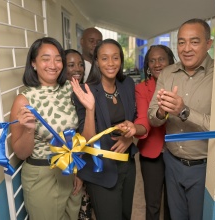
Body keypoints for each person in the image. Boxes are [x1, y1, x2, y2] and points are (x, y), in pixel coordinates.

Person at [10, 37, 83, 220]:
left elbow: (78, 135)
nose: (53, 64)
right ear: (33, 63)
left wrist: (76, 170)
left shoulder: (70, 89)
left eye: (58, 59)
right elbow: (21, 153)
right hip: (41, 175)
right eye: (45, 58)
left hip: (69, 169)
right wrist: (28, 130)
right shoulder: (24, 99)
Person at [148, 18, 214, 220]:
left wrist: (184, 111)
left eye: (194, 42)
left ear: (208, 43)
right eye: (181, 42)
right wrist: (162, 112)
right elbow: (153, 118)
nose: (186, 49)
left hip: (205, 167)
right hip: (173, 163)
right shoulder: (168, 73)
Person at [71, 38, 138, 220]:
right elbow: (87, 140)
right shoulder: (85, 92)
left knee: (125, 215)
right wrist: (90, 108)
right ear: (97, 62)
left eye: (115, 58)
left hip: (127, 164)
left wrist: (129, 137)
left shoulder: (127, 85)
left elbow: (135, 118)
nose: (111, 63)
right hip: (100, 169)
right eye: (104, 58)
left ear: (121, 60)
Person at [134, 45, 175, 220]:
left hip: (177, 152)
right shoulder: (142, 88)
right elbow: (144, 118)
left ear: (170, 61)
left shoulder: (179, 85)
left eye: (161, 59)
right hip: (152, 152)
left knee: (172, 203)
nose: (157, 64)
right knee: (153, 203)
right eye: (152, 60)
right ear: (148, 66)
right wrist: (135, 129)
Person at [64, 48, 93, 220]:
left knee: (85, 209)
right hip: (71, 162)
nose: (78, 69)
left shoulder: (85, 90)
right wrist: (77, 171)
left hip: (87, 158)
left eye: (81, 64)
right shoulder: (62, 96)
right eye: (71, 65)